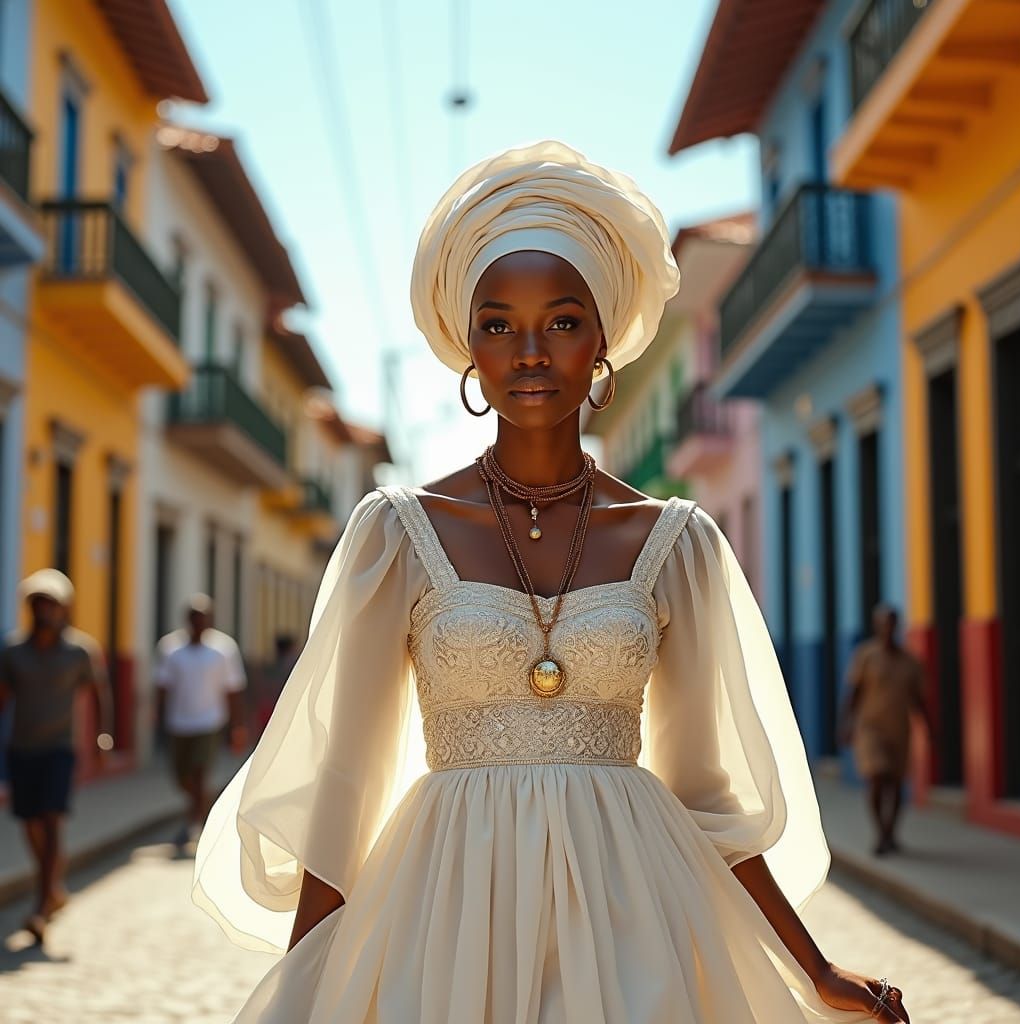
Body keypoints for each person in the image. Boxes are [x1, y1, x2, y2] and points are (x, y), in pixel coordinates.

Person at [192, 141, 909, 1023]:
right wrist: (303, 992)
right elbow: (341, 782)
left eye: (562, 322)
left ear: (602, 339)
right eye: (497, 324)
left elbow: (710, 794)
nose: (528, 352)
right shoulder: (398, 533)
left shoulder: (675, 542)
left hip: (634, 915)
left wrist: (815, 969)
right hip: (444, 915)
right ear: (469, 346)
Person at [0, 569, 113, 942]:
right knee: (31, 823)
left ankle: (40, 906)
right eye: (38, 604)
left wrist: (101, 737)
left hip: (59, 750)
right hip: (22, 749)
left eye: (51, 604)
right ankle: (53, 887)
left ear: (63, 608)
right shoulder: (13, 652)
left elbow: (98, 692)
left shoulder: (80, 651)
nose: (44, 610)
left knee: (51, 820)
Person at [155, 594, 249, 847]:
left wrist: (237, 726)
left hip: (210, 722)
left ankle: (193, 822)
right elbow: (162, 687)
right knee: (181, 776)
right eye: (194, 617)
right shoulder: (170, 648)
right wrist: (157, 720)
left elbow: (233, 689)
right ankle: (205, 808)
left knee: (199, 773)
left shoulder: (224, 649)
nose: (199, 622)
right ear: (187, 620)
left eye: (203, 617)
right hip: (179, 722)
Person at [839, 604, 930, 857]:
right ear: (877, 627)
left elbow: (919, 700)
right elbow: (854, 693)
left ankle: (891, 832)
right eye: (883, 624)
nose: (888, 628)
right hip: (870, 728)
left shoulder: (910, 662)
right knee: (877, 777)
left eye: (892, 623)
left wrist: (930, 729)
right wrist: (846, 724)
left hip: (899, 729)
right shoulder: (866, 656)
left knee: (896, 783)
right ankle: (880, 834)